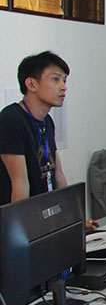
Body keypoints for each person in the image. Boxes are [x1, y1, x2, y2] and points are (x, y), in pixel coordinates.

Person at [0, 51, 70, 206]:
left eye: (64, 80)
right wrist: (23, 221)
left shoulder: (47, 121)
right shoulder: (11, 119)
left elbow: (58, 174)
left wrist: (71, 213)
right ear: (31, 84)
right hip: (20, 213)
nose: (63, 87)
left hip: (43, 211)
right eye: (56, 79)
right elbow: (19, 182)